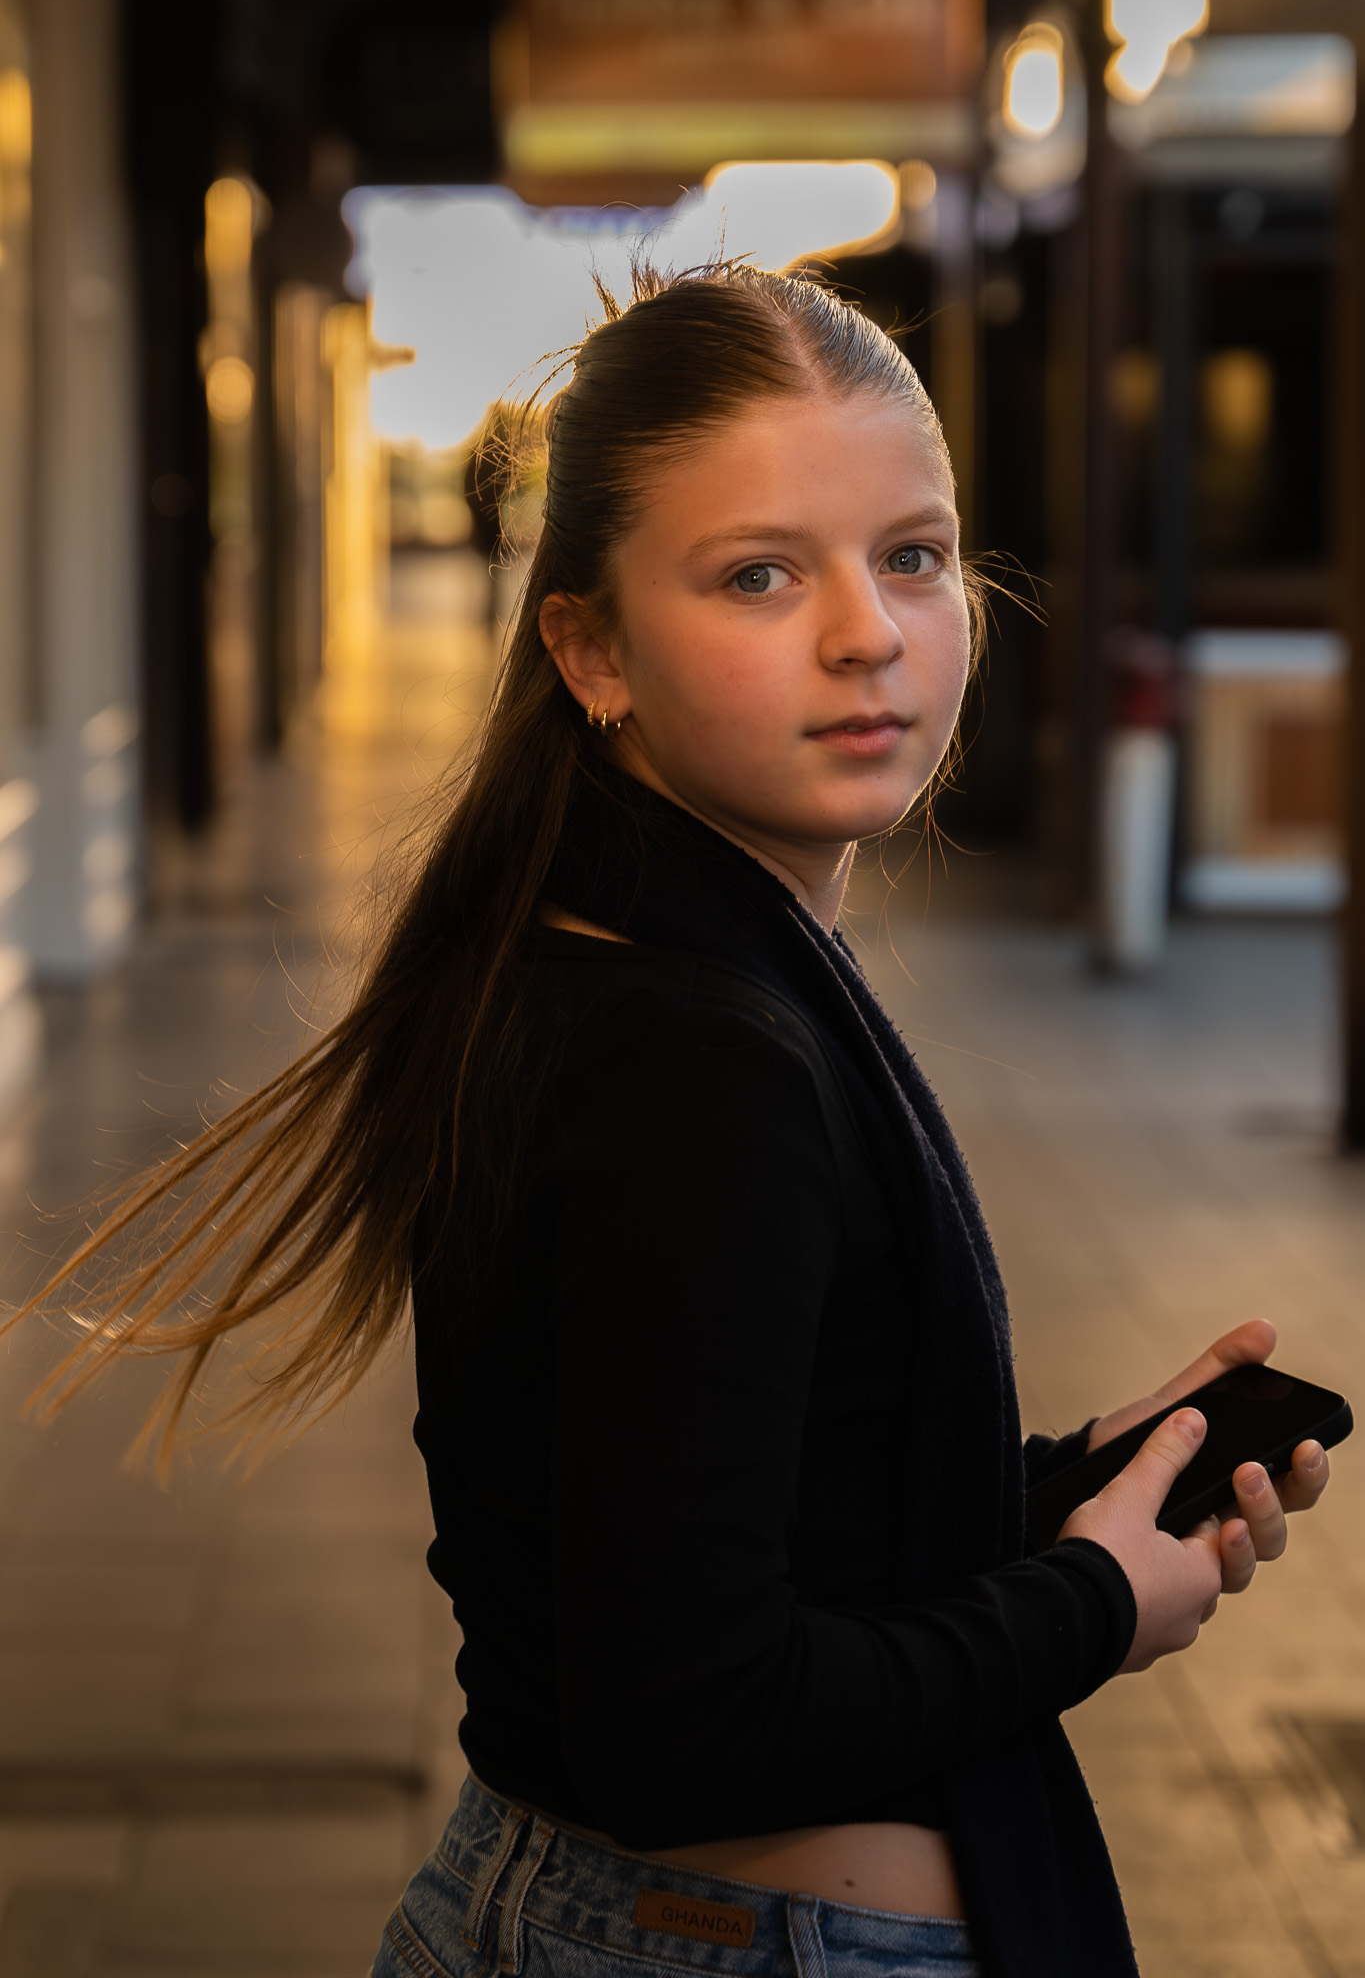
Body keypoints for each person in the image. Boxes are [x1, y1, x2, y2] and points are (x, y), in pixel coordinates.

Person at [14, 264, 1330, 1978]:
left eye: (912, 554)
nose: (866, 629)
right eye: (760, 574)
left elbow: (716, 1529)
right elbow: (685, 1718)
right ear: (590, 647)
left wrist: (1057, 1496)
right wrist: (1089, 1606)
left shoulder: (644, 959)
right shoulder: (691, 1058)